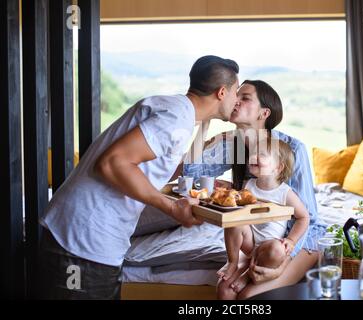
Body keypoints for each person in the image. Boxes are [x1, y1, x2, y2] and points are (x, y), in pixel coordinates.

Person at [38, 55, 240, 299]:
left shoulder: (178, 112)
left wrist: (195, 165)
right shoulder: (176, 119)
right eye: (236, 91)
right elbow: (113, 163)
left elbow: (147, 166)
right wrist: (171, 206)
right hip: (82, 239)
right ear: (221, 92)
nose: (237, 99)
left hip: (90, 239)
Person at [183, 80, 327, 299]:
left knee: (247, 296)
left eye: (245, 97)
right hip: (258, 239)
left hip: (300, 242)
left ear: (264, 113)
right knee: (224, 290)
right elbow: (191, 174)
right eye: (235, 95)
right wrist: (206, 123)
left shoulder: (292, 149)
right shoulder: (236, 147)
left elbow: (309, 219)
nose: (235, 100)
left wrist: (282, 263)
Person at [216, 138, 310, 299]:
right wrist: (226, 190)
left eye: (261, 155)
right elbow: (237, 201)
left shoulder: (285, 193)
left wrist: (292, 240)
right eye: (253, 153)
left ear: (278, 167)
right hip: (250, 242)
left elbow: (304, 217)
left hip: (269, 246)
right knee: (234, 221)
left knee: (277, 250)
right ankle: (232, 262)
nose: (253, 157)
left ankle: (247, 275)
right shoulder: (249, 185)